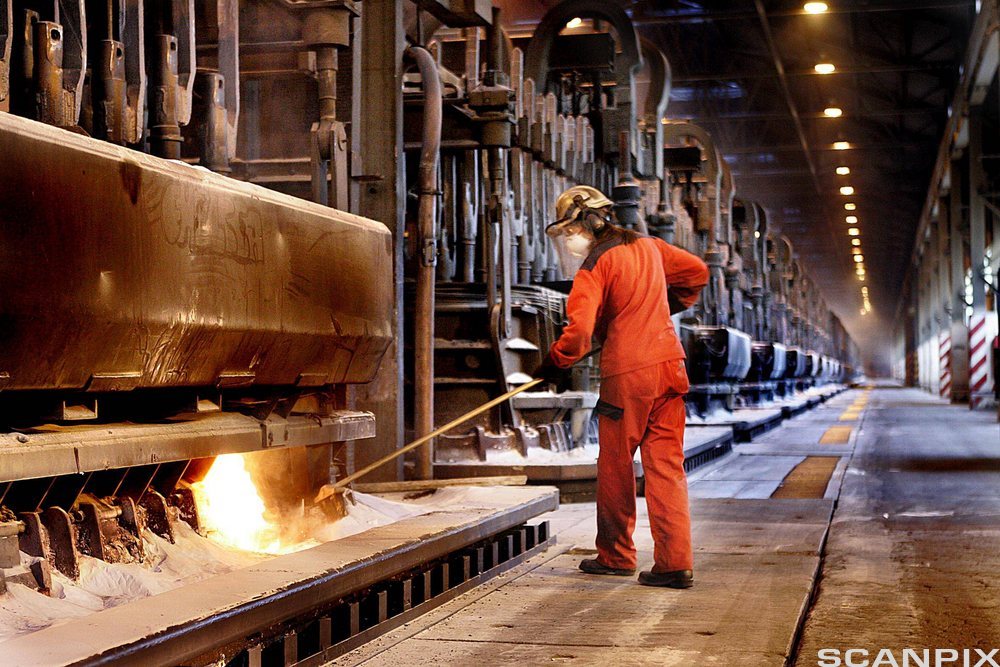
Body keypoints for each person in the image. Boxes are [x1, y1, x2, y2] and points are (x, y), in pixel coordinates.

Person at [533, 185, 709, 588]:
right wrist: (664, 306)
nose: (570, 240)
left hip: (629, 375)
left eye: (570, 231)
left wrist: (555, 363)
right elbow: (697, 273)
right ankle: (674, 563)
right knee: (666, 467)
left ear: (588, 222)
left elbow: (578, 335)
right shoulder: (650, 247)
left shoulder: (594, 266)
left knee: (615, 466)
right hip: (670, 367)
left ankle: (616, 556)